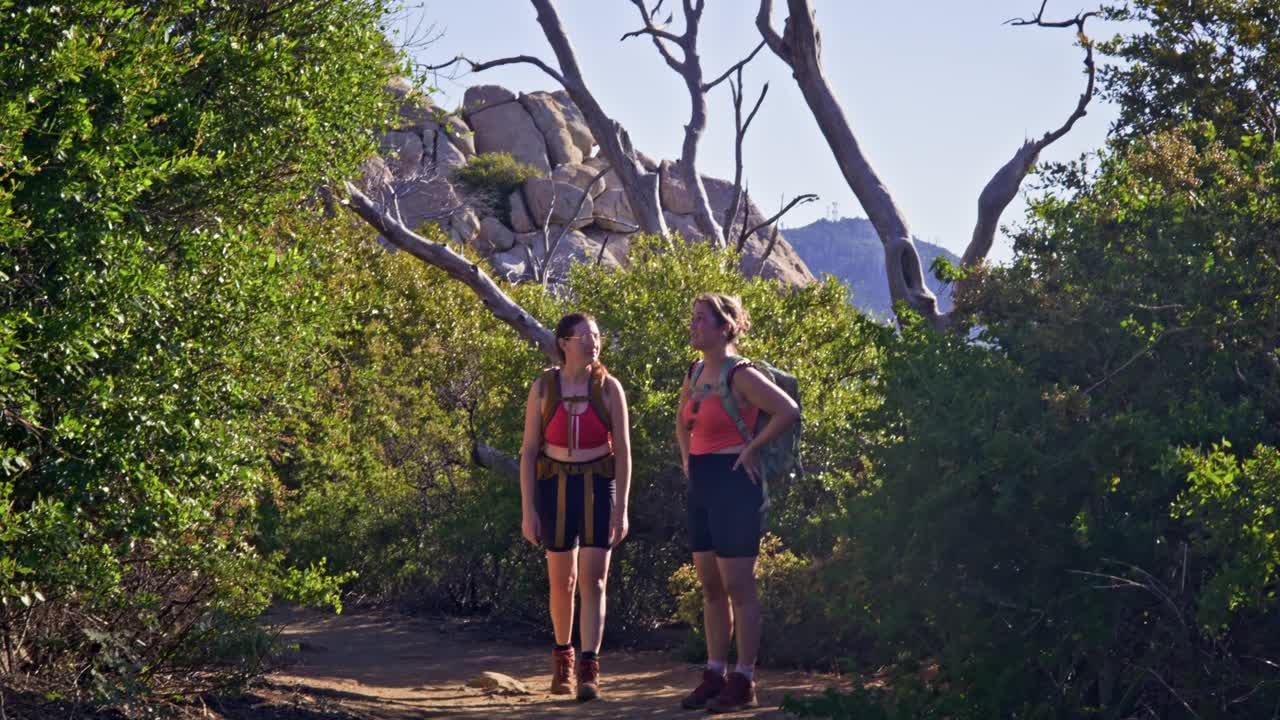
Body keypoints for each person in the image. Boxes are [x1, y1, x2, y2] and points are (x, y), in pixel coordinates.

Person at [675, 293, 800, 713]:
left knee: (738, 586)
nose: (693, 326)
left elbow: (787, 409)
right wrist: (686, 459)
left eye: (700, 320)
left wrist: (752, 450)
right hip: (703, 483)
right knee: (710, 586)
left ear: (725, 327)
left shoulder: (740, 374)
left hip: (734, 483)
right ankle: (714, 673)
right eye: (692, 319)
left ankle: (743, 679)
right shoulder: (694, 371)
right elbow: (682, 419)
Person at [519, 312, 632, 701]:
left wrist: (623, 509)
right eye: (583, 335)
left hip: (600, 485)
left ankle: (589, 667)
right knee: (561, 581)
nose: (592, 342)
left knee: (595, 579)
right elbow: (529, 451)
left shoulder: (609, 388)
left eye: (596, 336)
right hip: (554, 486)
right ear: (563, 342)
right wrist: (528, 509)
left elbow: (625, 455)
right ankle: (563, 658)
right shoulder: (543, 387)